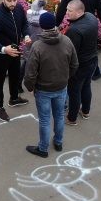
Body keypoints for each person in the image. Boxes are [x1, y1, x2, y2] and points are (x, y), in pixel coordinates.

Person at [23, 12, 78, 158]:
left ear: (41, 26)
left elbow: (30, 73)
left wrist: (30, 87)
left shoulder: (38, 46)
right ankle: (58, 142)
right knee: (59, 116)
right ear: (55, 24)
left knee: (45, 120)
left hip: (43, 90)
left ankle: (43, 148)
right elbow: (74, 64)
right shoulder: (66, 41)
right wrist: (65, 78)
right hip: (61, 87)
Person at [63, 0, 98, 126]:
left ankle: (72, 118)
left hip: (80, 65)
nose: (66, 13)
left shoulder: (74, 30)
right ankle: (85, 111)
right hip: (93, 60)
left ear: (79, 12)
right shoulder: (91, 17)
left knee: (74, 91)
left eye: (69, 11)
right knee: (86, 85)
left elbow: (70, 53)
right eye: (67, 9)